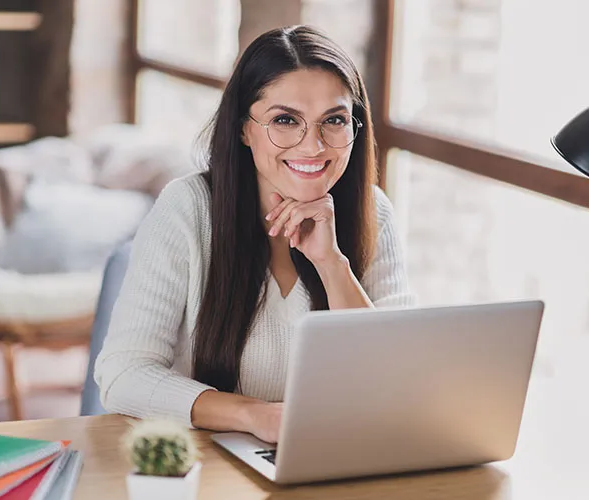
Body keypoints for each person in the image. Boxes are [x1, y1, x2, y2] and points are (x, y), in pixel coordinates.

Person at [94, 25, 413, 444]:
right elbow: (123, 376)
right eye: (285, 120)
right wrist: (255, 416)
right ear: (244, 128)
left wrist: (333, 265)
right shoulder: (187, 209)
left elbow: (395, 383)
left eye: (333, 121)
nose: (314, 146)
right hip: (205, 462)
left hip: (332, 455)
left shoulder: (374, 211)